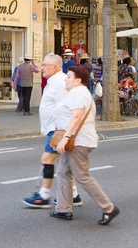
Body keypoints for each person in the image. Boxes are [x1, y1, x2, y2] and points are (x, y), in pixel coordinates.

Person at [51, 66, 120, 225]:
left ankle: (108, 207)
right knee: (62, 171)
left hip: (78, 141)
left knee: (82, 176)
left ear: (77, 80)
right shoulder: (77, 93)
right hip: (76, 141)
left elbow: (76, 117)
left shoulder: (78, 93)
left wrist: (64, 138)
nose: (65, 79)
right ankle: (63, 209)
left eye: (68, 76)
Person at [22, 54, 82, 209]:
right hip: (56, 128)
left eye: (44, 65)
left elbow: (67, 107)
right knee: (64, 163)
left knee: (47, 158)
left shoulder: (60, 83)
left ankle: (44, 195)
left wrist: (63, 132)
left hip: (57, 129)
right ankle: (74, 195)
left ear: (54, 67)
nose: (41, 68)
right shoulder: (54, 81)